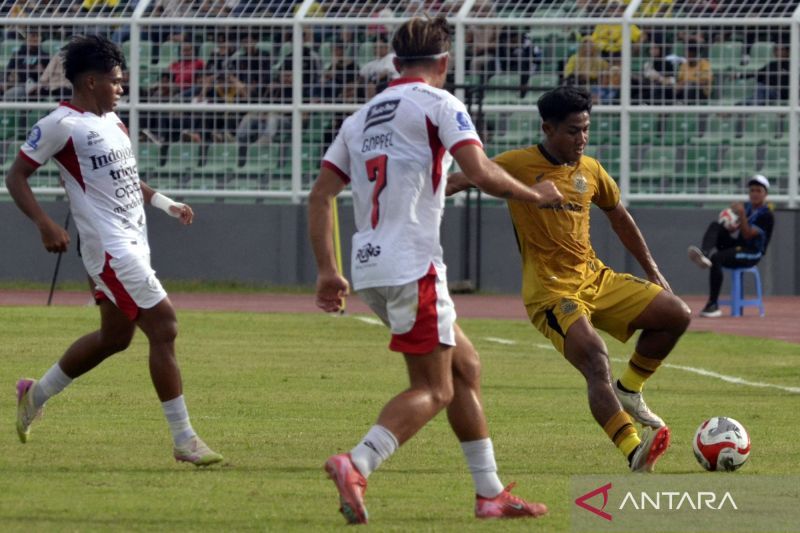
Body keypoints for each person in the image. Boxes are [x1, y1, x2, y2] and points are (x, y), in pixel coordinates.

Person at [308, 16, 562, 525]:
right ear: (444, 64)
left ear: (395, 64)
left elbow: (321, 195)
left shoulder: (360, 118)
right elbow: (482, 167)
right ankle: (357, 462)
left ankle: (490, 494)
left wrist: (326, 271)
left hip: (370, 267)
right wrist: (536, 195)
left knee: (465, 367)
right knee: (436, 388)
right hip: (414, 265)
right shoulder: (440, 104)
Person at [447, 86, 691, 474]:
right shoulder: (517, 164)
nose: (582, 139)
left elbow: (619, 216)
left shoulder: (591, 170)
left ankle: (629, 388)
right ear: (548, 128)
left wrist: (653, 271)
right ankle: (633, 450)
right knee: (595, 359)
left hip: (596, 278)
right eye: (573, 131)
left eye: (586, 129)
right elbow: (457, 182)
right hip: (551, 292)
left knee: (676, 314)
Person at [6, 35, 222, 467]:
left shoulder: (114, 123)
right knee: (165, 327)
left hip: (133, 242)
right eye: (115, 81)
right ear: (89, 82)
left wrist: (165, 203)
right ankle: (184, 440)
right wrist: (45, 224)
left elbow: (125, 178)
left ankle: (37, 393)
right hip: (109, 248)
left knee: (114, 337)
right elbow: (16, 177)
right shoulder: (60, 125)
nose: (121, 89)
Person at [687, 174, 774, 317]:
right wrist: (729, 221)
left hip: (752, 252)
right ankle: (704, 254)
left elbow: (747, 234)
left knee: (718, 258)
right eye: (752, 190)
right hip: (738, 246)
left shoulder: (767, 214)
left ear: (765, 194)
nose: (754, 194)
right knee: (716, 225)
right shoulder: (746, 207)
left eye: (759, 190)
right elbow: (735, 228)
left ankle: (713, 304)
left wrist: (741, 215)